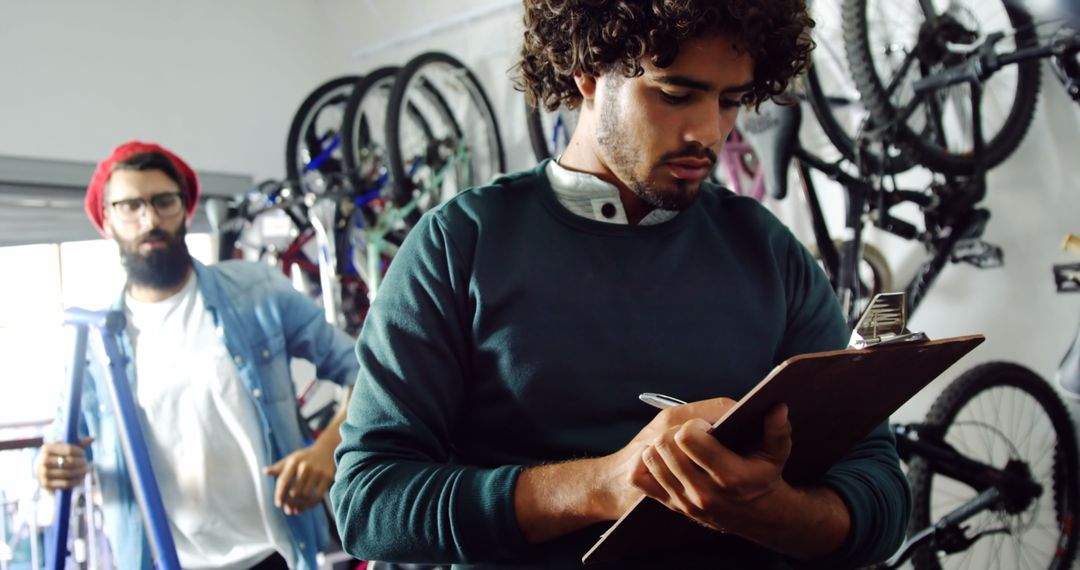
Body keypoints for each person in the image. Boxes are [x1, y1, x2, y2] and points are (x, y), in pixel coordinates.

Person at [330, 0, 910, 568]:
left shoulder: (768, 250)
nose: (709, 133)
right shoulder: (460, 245)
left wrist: (768, 510)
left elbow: (879, 490)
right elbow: (368, 502)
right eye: (675, 95)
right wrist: (601, 485)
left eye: (731, 101)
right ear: (587, 71)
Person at [34, 141, 359, 570]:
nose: (149, 219)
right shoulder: (93, 341)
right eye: (130, 206)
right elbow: (63, 448)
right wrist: (52, 466)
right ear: (107, 220)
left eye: (163, 201)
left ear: (184, 208)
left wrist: (326, 450)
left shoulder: (258, 293)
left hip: (273, 555)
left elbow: (367, 371)